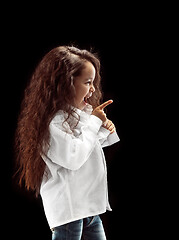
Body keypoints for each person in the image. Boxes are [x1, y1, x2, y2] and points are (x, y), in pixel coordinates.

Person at [15, 46, 119, 240]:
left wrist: (101, 128)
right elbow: (74, 157)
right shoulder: (52, 123)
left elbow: (86, 149)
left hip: (86, 209)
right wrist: (95, 122)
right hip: (69, 212)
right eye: (88, 82)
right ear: (65, 84)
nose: (93, 89)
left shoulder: (74, 114)